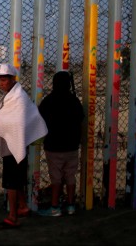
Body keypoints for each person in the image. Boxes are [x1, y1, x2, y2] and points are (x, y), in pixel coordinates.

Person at [0, 63, 47, 229]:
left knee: (11, 182)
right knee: (16, 180)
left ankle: (12, 216)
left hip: (14, 145)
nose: (1, 83)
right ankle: (23, 207)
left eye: (4, 80)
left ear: (12, 79)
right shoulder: (12, 96)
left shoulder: (17, 98)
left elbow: (16, 122)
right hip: (12, 143)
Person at [37, 71, 84, 217]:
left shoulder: (49, 100)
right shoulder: (74, 101)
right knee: (70, 175)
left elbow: (40, 117)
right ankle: (70, 205)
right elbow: (81, 118)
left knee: (56, 177)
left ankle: (55, 206)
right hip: (72, 146)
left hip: (54, 146)